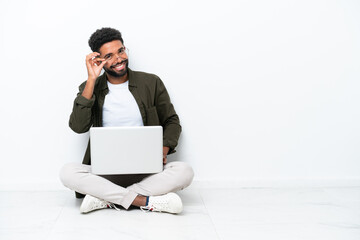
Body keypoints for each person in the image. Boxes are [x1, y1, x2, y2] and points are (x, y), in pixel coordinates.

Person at [59, 27, 194, 214]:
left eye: (120, 51)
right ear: (98, 59)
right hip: (106, 174)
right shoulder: (89, 88)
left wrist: (162, 151)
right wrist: (91, 79)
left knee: (184, 171)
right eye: (109, 56)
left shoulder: (151, 82)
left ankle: (106, 199)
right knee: (68, 172)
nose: (119, 59)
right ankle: (144, 201)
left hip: (147, 171)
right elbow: (78, 126)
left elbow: (171, 121)